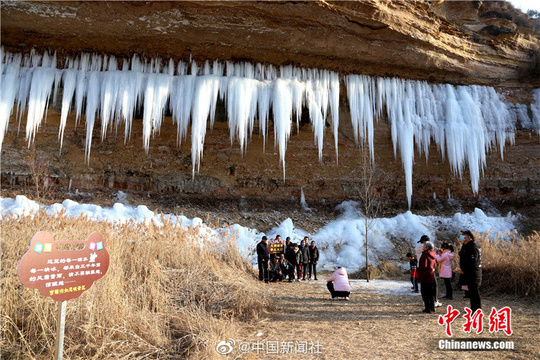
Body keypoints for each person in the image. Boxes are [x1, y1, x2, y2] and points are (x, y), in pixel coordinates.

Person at [457, 230, 482, 312]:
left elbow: (473, 261)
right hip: (468, 272)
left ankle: (476, 310)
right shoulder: (466, 245)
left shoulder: (473, 246)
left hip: (473, 273)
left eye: (464, 235)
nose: (462, 236)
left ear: (469, 237)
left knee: (474, 292)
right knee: (471, 292)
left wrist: (464, 270)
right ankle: (474, 309)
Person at [418, 241, 437, 313]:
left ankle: (427, 308)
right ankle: (432, 307)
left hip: (425, 275)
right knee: (431, 292)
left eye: (424, 245)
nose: (423, 246)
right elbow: (435, 265)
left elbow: (423, 265)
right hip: (431, 274)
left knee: (425, 292)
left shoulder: (425, 254)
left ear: (427, 247)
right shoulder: (433, 254)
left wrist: (418, 270)